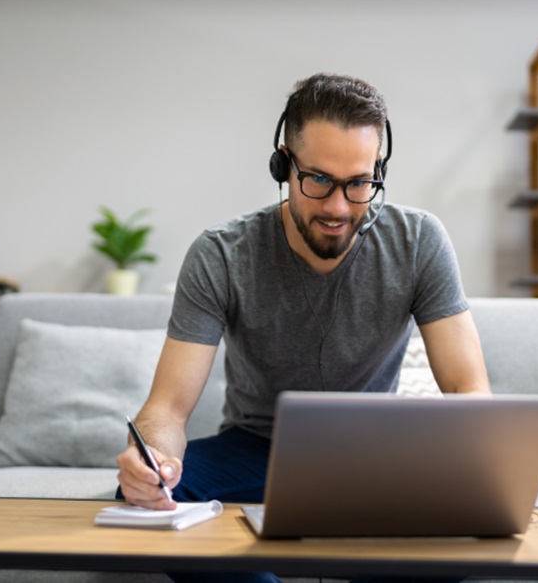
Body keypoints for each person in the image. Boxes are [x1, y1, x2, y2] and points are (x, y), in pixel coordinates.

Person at [116, 73, 490, 582]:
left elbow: (468, 388)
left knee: (466, 530)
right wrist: (154, 460)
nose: (338, 207)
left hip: (375, 455)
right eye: (317, 180)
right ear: (282, 165)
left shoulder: (419, 241)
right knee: (142, 499)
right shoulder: (221, 255)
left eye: (359, 182)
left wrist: (469, 470)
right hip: (254, 448)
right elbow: (167, 408)